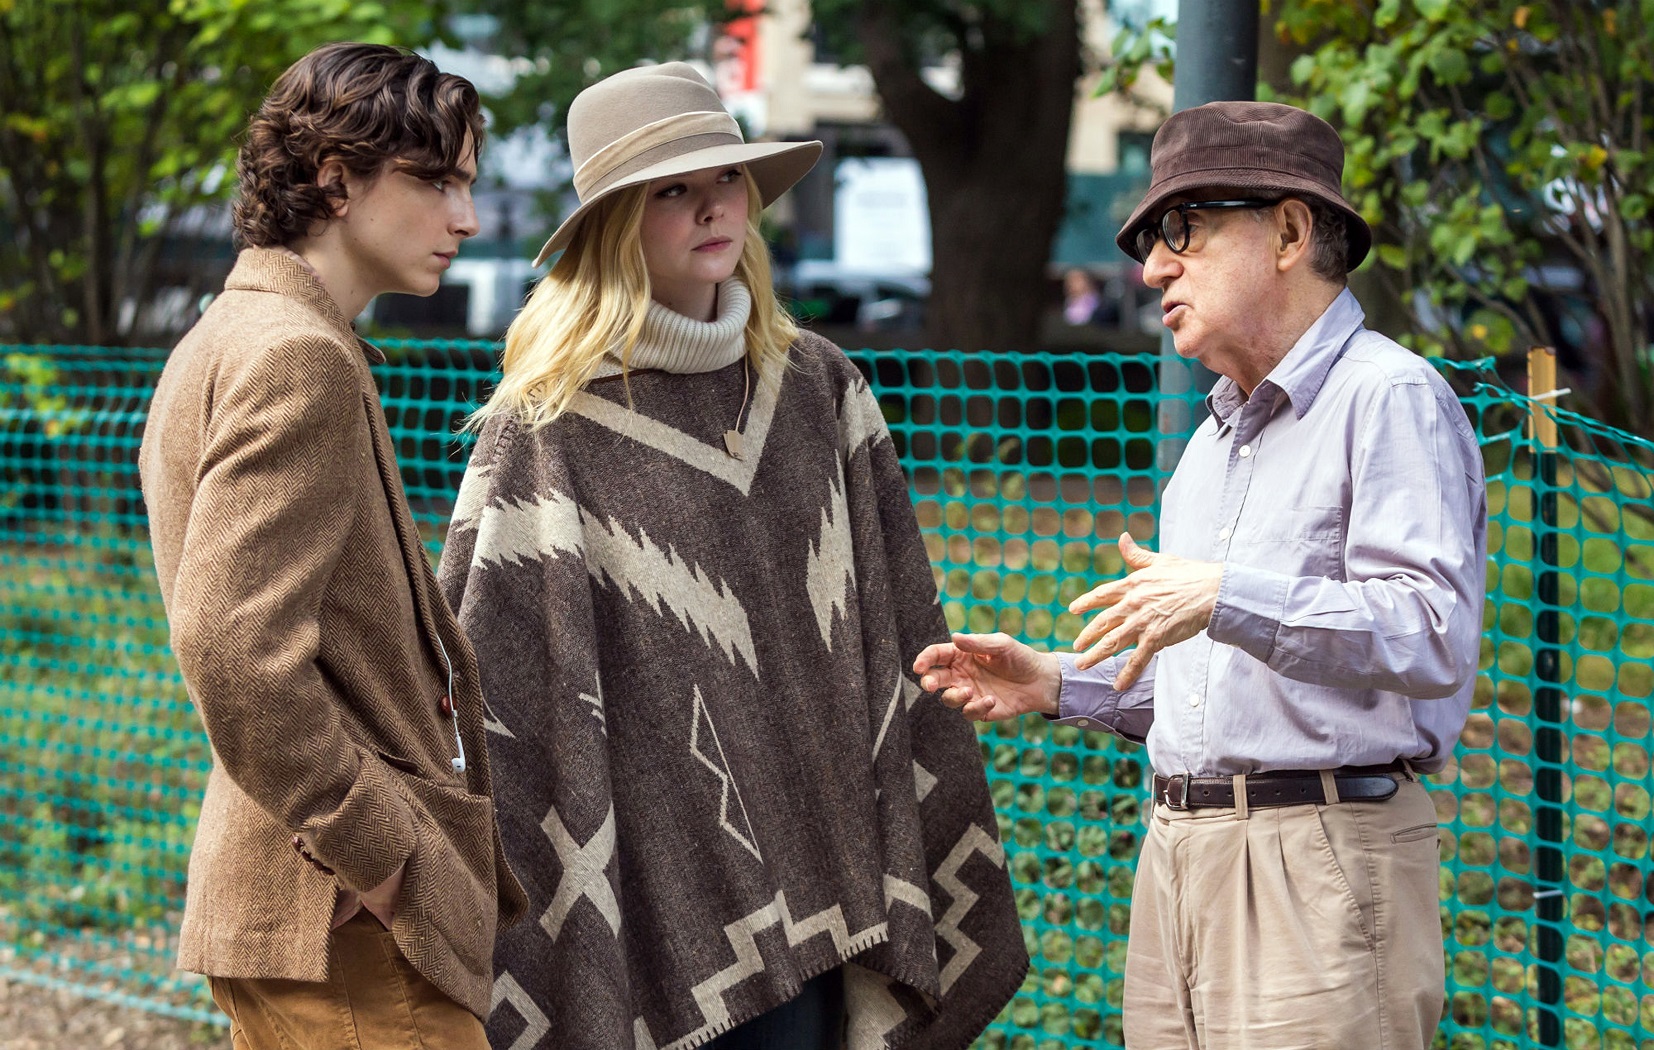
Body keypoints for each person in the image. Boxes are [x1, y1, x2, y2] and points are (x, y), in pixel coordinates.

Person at [437, 62, 1027, 1050]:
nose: (714, 205)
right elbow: (493, 684)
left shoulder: (818, 393)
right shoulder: (551, 426)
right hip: (643, 900)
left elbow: (892, 626)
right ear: (613, 224)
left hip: (834, 884)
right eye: (672, 189)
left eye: (726, 177)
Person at [914, 101, 1487, 1050]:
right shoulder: (1211, 444)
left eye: (1184, 230)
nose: (1152, 269)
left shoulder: (1388, 397)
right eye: (1149, 241)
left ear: (1291, 232)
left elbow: (1430, 631)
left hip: (1322, 859)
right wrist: (1057, 682)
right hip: (1178, 854)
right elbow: (1229, 690)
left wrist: (1225, 594)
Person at [138, 42, 525, 1049]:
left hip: (306, 904)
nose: (466, 219)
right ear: (335, 179)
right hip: (340, 916)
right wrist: (377, 851)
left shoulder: (231, 331)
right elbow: (228, 642)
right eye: (435, 182)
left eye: (468, 186)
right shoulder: (295, 356)